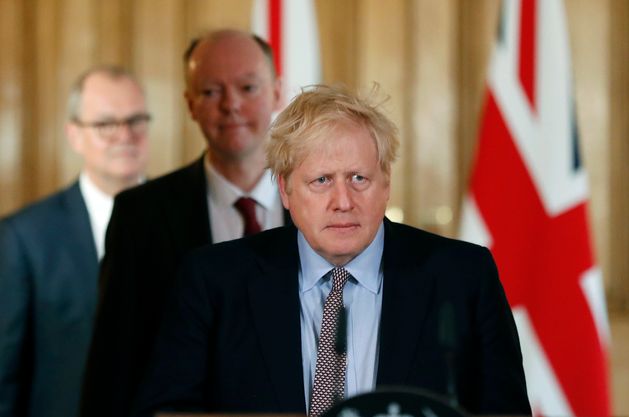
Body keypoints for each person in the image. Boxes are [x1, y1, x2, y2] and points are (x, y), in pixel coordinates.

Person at [134, 84, 531, 417]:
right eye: (321, 180)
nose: (343, 201)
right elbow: (168, 411)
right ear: (286, 190)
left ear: (386, 183)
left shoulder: (461, 275)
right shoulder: (214, 280)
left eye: (359, 178)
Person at [80, 30, 289, 417]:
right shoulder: (139, 216)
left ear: (277, 93)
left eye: (248, 87)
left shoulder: (323, 205)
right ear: (190, 103)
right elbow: (113, 363)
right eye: (211, 91)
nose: (232, 105)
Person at [0, 66, 150, 417]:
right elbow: (5, 375)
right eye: (105, 125)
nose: (124, 135)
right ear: (74, 135)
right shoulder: (25, 236)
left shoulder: (184, 219)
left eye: (136, 120)